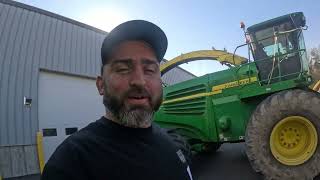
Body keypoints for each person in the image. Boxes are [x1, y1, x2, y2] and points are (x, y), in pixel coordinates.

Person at [41, 20, 193, 180]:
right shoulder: (71, 163)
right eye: (122, 69)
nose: (140, 81)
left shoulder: (172, 144)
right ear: (101, 85)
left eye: (149, 70)